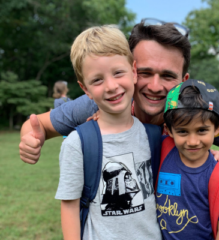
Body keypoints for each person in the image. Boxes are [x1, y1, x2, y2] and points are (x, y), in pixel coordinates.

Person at [19, 19, 219, 181]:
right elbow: (37, 125)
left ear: (184, 80)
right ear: (131, 69)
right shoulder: (99, 104)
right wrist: (31, 141)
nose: (155, 86)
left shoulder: (194, 113)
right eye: (145, 72)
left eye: (168, 76)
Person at [55, 25, 161, 240]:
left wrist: (211, 156)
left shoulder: (155, 136)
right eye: (97, 80)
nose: (111, 86)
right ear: (85, 89)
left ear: (133, 72)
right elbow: (69, 205)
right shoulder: (78, 143)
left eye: (118, 73)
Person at [156, 79, 219, 239]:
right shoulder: (162, 150)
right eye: (182, 131)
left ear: (217, 128)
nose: (193, 141)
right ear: (168, 130)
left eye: (202, 130)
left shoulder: (218, 176)